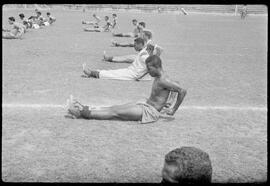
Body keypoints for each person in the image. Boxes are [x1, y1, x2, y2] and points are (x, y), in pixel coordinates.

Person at [66, 55, 187, 124]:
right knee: (115, 108)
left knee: (115, 113)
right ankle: (83, 107)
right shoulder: (162, 78)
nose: (147, 72)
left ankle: (80, 113)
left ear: (156, 67)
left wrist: (173, 109)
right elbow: (177, 85)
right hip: (145, 104)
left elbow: (182, 90)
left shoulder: (163, 80)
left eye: (149, 69)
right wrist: (169, 102)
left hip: (149, 112)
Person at [82, 37, 152, 81]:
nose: (134, 46)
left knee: (113, 74)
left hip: (133, 74)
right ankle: (93, 72)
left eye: (135, 45)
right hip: (130, 71)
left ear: (140, 44)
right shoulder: (143, 52)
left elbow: (150, 68)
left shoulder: (144, 55)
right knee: (113, 72)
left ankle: (91, 73)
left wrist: (140, 77)